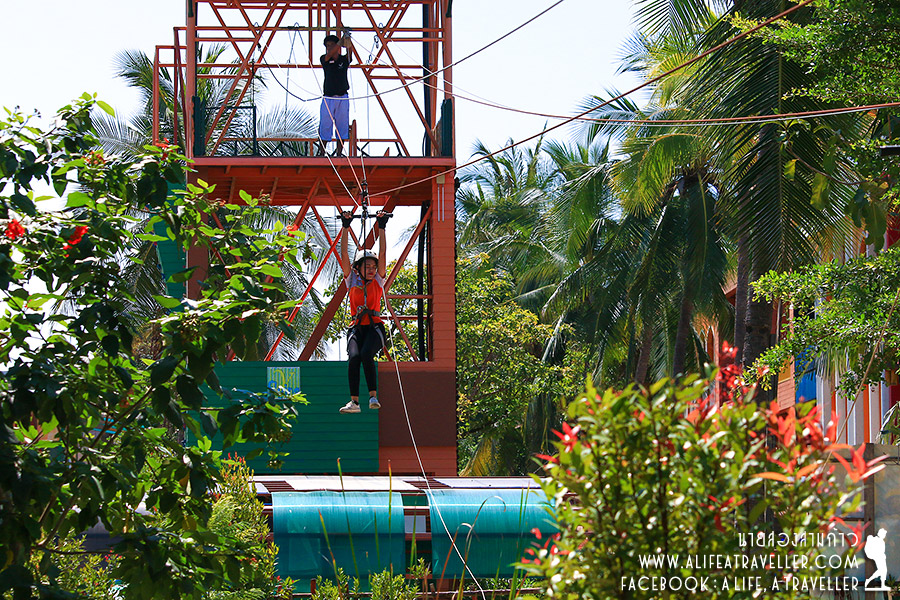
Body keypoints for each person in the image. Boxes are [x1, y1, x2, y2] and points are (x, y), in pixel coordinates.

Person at [338, 209, 390, 413]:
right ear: (358, 268)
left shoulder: (378, 280)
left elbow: (383, 254)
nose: (371, 270)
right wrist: (345, 226)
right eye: (367, 266)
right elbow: (343, 254)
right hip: (357, 328)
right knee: (354, 357)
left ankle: (373, 396)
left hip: (374, 328)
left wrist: (382, 227)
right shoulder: (351, 280)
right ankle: (354, 402)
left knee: (367, 353)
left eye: (373, 267)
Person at [318, 32, 353, 156]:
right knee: (325, 124)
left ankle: (339, 153)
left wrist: (347, 39)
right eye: (327, 46)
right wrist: (340, 41)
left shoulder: (343, 60)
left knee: (342, 126)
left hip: (342, 97)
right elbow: (329, 55)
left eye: (331, 45)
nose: (329, 48)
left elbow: (350, 53)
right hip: (328, 97)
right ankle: (322, 152)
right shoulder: (324, 59)